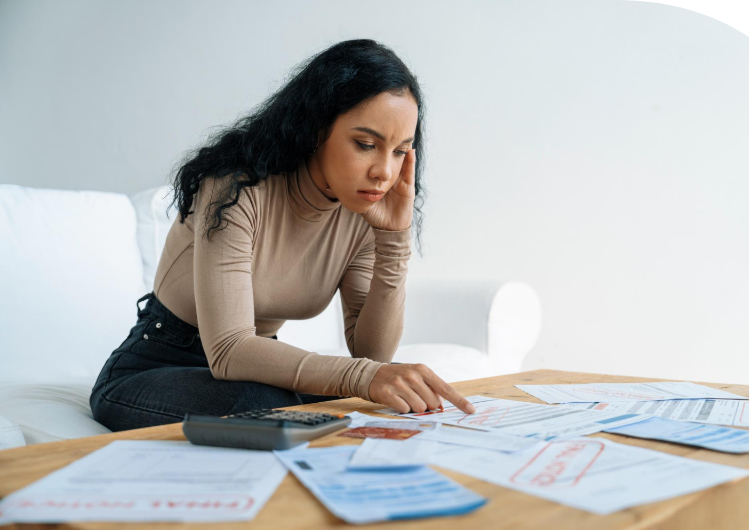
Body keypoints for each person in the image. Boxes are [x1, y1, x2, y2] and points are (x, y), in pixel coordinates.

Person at [90, 39, 476, 433]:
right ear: (316, 129)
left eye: (400, 151)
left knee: (391, 392)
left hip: (256, 370)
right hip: (159, 363)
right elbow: (229, 351)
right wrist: (363, 376)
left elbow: (371, 354)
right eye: (366, 144)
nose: (383, 171)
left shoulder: (362, 210)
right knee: (270, 404)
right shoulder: (235, 189)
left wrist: (394, 239)